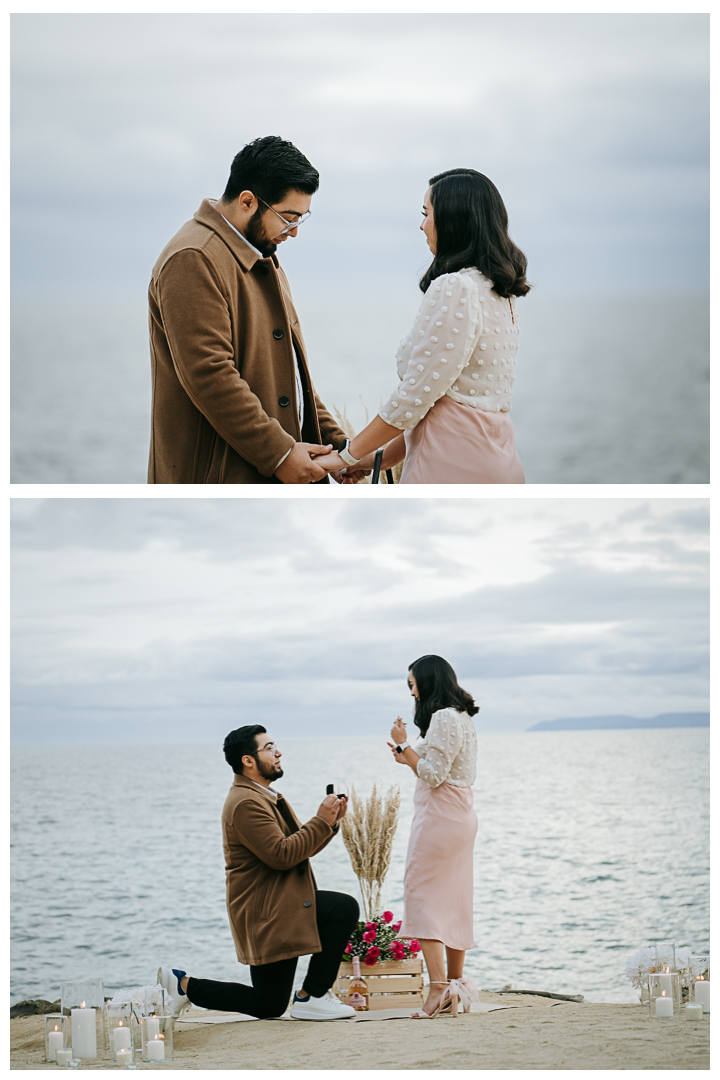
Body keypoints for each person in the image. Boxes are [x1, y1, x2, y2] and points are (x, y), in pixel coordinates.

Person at [147, 136, 363, 485]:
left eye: (301, 219)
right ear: (247, 201)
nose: (293, 232)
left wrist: (339, 446)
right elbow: (210, 375)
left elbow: (290, 377)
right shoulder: (193, 258)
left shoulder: (260, 257)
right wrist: (278, 454)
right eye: (288, 217)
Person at [319, 170, 530, 484]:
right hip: (499, 464)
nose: (421, 225)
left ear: (453, 219)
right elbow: (445, 408)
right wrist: (374, 459)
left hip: (451, 468)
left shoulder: (456, 287)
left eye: (427, 214)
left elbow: (413, 397)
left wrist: (346, 454)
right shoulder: (499, 294)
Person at [158, 725, 359, 1020]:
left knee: (269, 1004)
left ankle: (185, 986)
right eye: (268, 748)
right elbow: (282, 855)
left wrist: (328, 823)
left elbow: (297, 848)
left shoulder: (262, 795)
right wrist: (320, 820)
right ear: (248, 760)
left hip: (280, 904)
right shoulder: (245, 803)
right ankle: (312, 996)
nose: (278, 752)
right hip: (268, 912)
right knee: (342, 908)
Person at [387, 655, 479, 1018]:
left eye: (412, 684)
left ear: (427, 681)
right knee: (454, 898)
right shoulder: (461, 717)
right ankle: (455, 985)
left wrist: (403, 745)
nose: (411, 691)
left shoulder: (442, 718)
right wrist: (404, 749)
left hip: (439, 815)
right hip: (461, 813)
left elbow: (432, 774)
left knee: (422, 893)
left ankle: (438, 986)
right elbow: (424, 763)